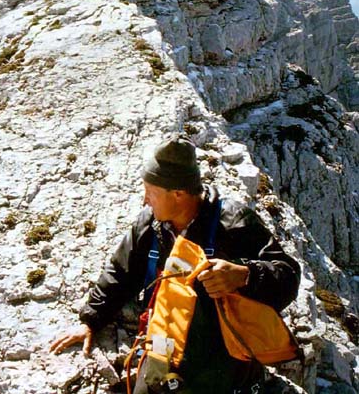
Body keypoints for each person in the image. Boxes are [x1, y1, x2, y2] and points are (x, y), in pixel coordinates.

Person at [51, 135, 300, 393]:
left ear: (178, 193)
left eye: (151, 192)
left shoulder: (232, 222)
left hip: (223, 358)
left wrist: (245, 274)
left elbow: (289, 275)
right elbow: (119, 273)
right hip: (164, 349)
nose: (145, 200)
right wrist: (90, 320)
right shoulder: (151, 224)